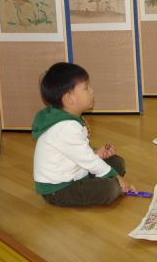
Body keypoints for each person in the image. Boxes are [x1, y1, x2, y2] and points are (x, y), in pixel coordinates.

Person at [32, 62, 137, 206]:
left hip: (76, 173)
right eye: (86, 88)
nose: (92, 91)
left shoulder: (69, 119)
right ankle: (111, 185)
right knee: (111, 188)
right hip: (59, 189)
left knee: (117, 162)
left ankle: (106, 182)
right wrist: (117, 177)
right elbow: (86, 159)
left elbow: (78, 152)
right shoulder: (65, 127)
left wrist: (96, 153)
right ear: (69, 98)